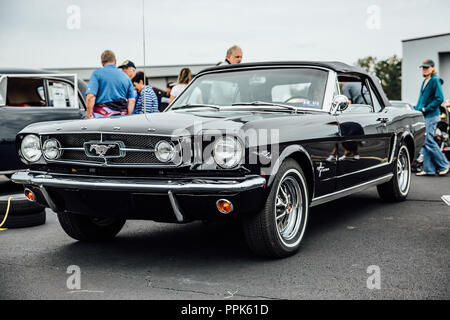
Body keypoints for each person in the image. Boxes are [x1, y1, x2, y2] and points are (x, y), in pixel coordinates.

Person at [415, 59, 449, 176]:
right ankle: (429, 169)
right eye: (423, 68)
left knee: (428, 140)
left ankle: (445, 164)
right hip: (424, 115)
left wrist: (426, 108)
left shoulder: (435, 80)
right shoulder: (425, 81)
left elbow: (439, 98)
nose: (425, 69)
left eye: (427, 67)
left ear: (433, 68)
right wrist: (417, 109)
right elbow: (422, 99)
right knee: (425, 141)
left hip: (431, 115)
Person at [85, 50, 136, 118]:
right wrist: (127, 116)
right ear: (115, 62)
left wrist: (88, 115)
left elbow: (90, 97)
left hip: (101, 118)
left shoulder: (97, 74)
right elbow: (132, 100)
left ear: (102, 63)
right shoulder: (126, 77)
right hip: (122, 118)